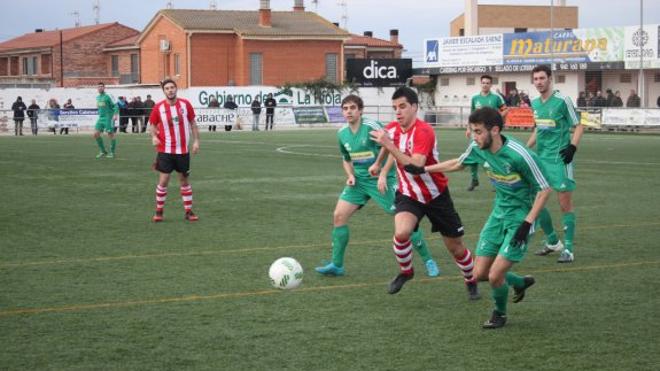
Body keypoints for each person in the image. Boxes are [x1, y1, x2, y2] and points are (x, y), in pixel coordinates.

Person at [404, 107, 551, 329]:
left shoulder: (520, 155)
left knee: (494, 276)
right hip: (498, 214)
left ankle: (499, 314)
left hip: (520, 218)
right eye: (472, 131)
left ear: (495, 130)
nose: (474, 136)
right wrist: (423, 169)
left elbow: (544, 189)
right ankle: (519, 282)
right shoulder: (477, 147)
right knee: (479, 273)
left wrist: (527, 222)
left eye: (478, 131)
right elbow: (458, 163)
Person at [369, 87, 479, 299]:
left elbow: (415, 165)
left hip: (436, 195)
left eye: (402, 106)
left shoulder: (424, 131)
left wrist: (388, 145)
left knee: (456, 248)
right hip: (409, 194)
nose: (398, 112)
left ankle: (470, 279)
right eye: (395, 108)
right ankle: (406, 272)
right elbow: (386, 140)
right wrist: (378, 164)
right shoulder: (393, 128)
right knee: (401, 233)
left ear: (415, 107)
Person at [315, 94, 440, 278]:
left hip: (383, 181)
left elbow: (390, 147)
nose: (348, 112)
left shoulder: (371, 127)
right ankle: (337, 265)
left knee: (403, 222)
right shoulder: (342, 133)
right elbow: (346, 159)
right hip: (358, 182)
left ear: (360, 110)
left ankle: (428, 260)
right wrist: (350, 175)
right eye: (345, 108)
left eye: (352, 108)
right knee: (339, 216)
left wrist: (382, 173)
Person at [527, 65, 584, 263]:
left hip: (560, 160)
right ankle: (552, 241)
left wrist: (572, 148)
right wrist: (527, 149)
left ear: (550, 79)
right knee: (537, 202)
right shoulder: (534, 103)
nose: (539, 82)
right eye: (536, 79)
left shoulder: (562, 101)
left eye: (542, 78)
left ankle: (568, 249)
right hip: (541, 160)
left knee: (564, 204)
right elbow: (539, 129)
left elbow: (578, 125)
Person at [149, 78, 200, 222]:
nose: (170, 90)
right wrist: (153, 136)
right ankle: (159, 211)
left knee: (184, 180)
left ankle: (188, 212)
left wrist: (196, 141)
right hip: (165, 150)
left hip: (183, 151)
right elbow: (152, 125)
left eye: (172, 87)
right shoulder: (158, 107)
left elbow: (193, 124)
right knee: (164, 180)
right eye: (167, 88)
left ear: (176, 89)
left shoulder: (185, 105)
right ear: (164, 91)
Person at [467, 75, 508, 191]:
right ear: (480, 84)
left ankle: (498, 181)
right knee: (472, 154)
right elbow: (472, 115)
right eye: (483, 82)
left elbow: (505, 109)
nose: (485, 84)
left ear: (491, 85)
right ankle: (474, 179)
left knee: (493, 156)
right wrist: (468, 128)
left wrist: (497, 118)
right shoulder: (475, 98)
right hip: (476, 132)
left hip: (490, 133)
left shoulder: (496, 98)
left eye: (487, 83)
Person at [93, 82, 119, 158]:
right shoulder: (98, 97)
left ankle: (112, 152)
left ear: (104, 88)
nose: (100, 88)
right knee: (95, 134)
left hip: (109, 118)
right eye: (99, 87)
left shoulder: (108, 96)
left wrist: (115, 114)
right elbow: (99, 107)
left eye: (101, 86)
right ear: (97, 88)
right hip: (101, 118)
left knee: (110, 134)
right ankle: (103, 151)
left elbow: (116, 105)